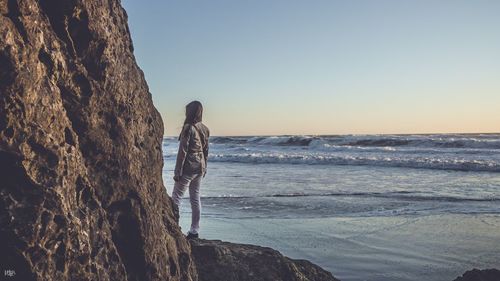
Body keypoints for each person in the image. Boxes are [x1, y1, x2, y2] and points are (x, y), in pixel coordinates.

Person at [172, 101, 210, 239]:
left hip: (188, 168)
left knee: (176, 197)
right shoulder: (205, 129)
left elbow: (182, 152)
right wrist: (205, 168)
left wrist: (177, 172)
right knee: (195, 199)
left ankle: (173, 227)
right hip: (199, 168)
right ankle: (194, 231)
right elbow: (206, 151)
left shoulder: (188, 128)